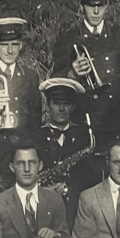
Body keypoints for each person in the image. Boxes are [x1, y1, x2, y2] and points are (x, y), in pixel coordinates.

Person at [51, 0, 120, 138]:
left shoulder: (119, 35)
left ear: (107, 5)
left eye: (101, 5)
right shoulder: (68, 38)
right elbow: (55, 82)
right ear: (82, 6)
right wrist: (72, 73)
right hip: (84, 123)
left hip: (117, 122)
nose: (96, 11)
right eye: (91, 6)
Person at [34, 76, 101, 205]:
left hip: (77, 205)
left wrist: (69, 188)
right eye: (56, 103)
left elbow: (92, 177)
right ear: (48, 105)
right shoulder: (36, 136)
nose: (62, 109)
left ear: (73, 107)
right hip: (43, 204)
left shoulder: (85, 137)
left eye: (67, 104)